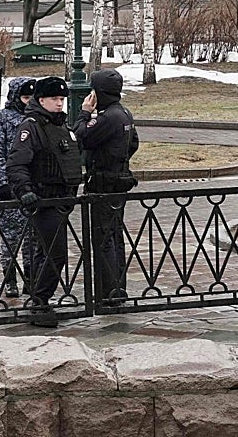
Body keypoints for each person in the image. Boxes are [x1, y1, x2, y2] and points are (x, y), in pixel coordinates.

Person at [6, 75, 83, 327]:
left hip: (61, 200)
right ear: (41, 100)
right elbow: (17, 163)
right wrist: (25, 190)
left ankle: (39, 301)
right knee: (55, 254)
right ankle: (40, 301)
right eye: (54, 99)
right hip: (44, 200)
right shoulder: (31, 126)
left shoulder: (60, 125)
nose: (60, 103)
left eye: (62, 99)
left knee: (45, 252)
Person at [74, 69, 139, 307]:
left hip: (103, 182)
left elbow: (80, 136)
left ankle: (108, 290)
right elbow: (134, 143)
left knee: (103, 239)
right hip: (118, 179)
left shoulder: (108, 117)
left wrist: (83, 113)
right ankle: (116, 288)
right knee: (114, 236)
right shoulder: (124, 113)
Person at [0, 76, 35, 298]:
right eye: (25, 97)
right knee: (10, 238)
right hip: (9, 189)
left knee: (33, 238)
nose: (29, 101)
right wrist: (1, 181)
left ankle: (31, 280)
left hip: (32, 187)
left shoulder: (36, 119)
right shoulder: (2, 120)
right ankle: (10, 280)